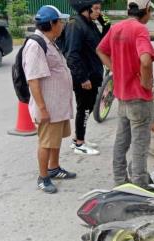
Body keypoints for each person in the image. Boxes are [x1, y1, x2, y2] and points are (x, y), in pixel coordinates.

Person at [96, 0, 154, 187]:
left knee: (121, 143)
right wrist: (146, 83)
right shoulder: (140, 29)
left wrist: (116, 69)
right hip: (139, 98)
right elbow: (145, 61)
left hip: (122, 97)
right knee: (140, 145)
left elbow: (100, 50)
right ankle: (139, 186)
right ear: (146, 10)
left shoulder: (116, 27)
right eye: (150, 11)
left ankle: (120, 180)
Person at [23, 5, 75, 193]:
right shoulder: (36, 45)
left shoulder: (49, 40)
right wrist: (42, 109)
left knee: (55, 139)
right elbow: (33, 80)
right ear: (52, 23)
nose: (62, 25)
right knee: (46, 142)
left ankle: (54, 168)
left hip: (58, 104)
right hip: (48, 106)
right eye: (60, 21)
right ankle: (43, 177)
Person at [63, 0, 110, 155]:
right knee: (84, 108)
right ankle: (79, 144)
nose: (99, 12)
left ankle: (78, 137)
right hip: (84, 77)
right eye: (96, 9)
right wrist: (83, 78)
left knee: (88, 107)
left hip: (93, 74)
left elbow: (101, 44)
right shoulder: (75, 25)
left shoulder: (89, 23)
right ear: (85, 9)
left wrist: (106, 25)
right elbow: (71, 55)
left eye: (100, 9)